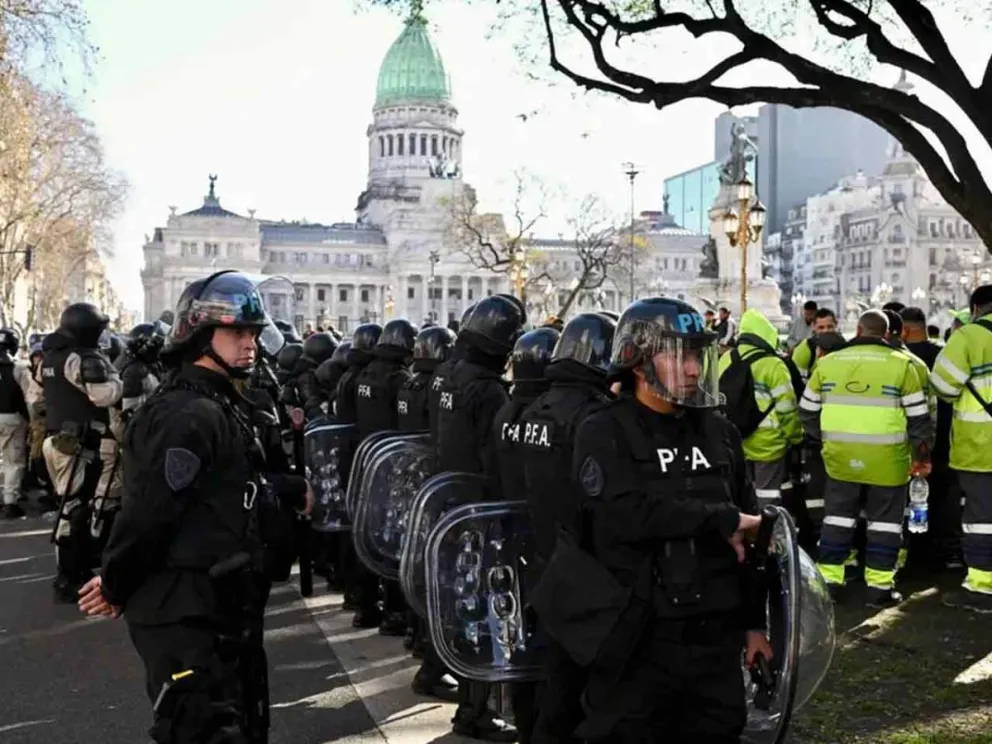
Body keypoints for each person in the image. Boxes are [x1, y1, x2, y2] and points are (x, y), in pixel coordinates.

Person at [77, 270, 314, 743]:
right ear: (200, 334)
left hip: (222, 608)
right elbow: (150, 512)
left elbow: (229, 481)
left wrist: (288, 488)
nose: (249, 344)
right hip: (186, 613)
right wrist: (116, 582)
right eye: (236, 332)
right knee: (203, 731)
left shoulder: (218, 402)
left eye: (251, 332)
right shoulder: (185, 412)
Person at [544, 297, 767, 743]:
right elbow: (624, 515)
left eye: (696, 355)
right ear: (638, 361)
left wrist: (754, 624)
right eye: (677, 355)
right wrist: (717, 519)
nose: (692, 370)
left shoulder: (720, 433)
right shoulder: (603, 429)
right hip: (637, 639)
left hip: (714, 638)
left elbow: (750, 530)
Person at [518, 312, 617, 744]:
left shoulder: (535, 407)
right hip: (586, 573)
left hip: (543, 558)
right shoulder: (595, 416)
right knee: (575, 693)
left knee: (546, 680)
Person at [433, 294, 524, 741]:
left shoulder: (446, 375)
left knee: (457, 603)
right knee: (481, 612)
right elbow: (497, 460)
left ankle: (467, 703)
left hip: (447, 506)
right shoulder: (487, 390)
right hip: (480, 513)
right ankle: (473, 713)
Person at [799, 310, 933, 606]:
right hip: (889, 458)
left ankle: (830, 584)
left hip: (840, 456)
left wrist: (825, 438)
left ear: (858, 329)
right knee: (885, 523)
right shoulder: (903, 365)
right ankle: (880, 589)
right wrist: (922, 456)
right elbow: (920, 420)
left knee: (837, 518)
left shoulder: (828, 363)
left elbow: (806, 410)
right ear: (886, 334)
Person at [491, 326, 559, 743]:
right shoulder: (548, 418)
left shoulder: (506, 412)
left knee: (516, 636)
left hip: (508, 542)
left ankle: (524, 721)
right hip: (543, 545)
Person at [42, 303, 123, 602]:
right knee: (74, 509)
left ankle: (73, 570)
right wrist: (118, 380)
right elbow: (103, 397)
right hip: (75, 445)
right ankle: (69, 577)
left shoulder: (50, 357)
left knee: (72, 505)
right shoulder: (78, 357)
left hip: (59, 441)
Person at [932, 284, 992, 613]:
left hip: (981, 445)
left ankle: (982, 590)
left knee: (981, 519)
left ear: (975, 308)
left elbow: (942, 385)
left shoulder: (968, 337)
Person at [718, 308, 803, 508]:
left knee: (742, 493)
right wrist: (796, 437)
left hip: (735, 440)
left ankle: (745, 532)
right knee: (767, 495)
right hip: (768, 443)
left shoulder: (726, 359)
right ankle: (768, 535)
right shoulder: (773, 364)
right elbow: (787, 408)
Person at [0, 328, 30, 518]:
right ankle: (10, 502)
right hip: (12, 417)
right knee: (13, 460)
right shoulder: (18, 368)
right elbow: (30, 397)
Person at [791, 308, 838, 381]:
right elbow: (796, 381)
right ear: (813, 327)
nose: (825, 331)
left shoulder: (844, 347)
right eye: (821, 327)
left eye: (830, 327)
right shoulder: (804, 350)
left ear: (836, 325)